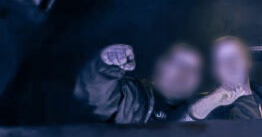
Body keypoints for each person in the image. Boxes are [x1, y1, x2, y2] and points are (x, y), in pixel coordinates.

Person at [74, 42, 203, 123]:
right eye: (178, 64)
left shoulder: (203, 112)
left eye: (193, 69)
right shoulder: (131, 96)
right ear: (160, 64)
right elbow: (93, 97)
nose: (184, 73)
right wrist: (105, 68)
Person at [188, 36, 262, 120]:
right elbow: (184, 126)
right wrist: (211, 102)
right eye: (222, 61)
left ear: (248, 61)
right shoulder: (203, 106)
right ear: (216, 70)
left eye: (235, 57)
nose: (229, 64)